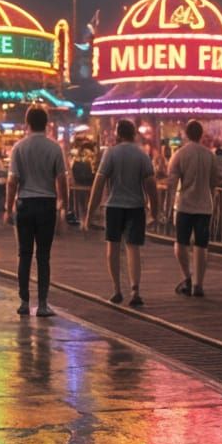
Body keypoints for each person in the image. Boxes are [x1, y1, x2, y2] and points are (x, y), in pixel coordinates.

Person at [83, 120, 158, 307]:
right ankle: (135, 290)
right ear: (133, 134)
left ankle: (116, 289)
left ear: (118, 133)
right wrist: (155, 210)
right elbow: (151, 185)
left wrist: (89, 213)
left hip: (114, 206)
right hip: (136, 207)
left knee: (113, 247)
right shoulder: (142, 155)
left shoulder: (110, 153)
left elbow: (98, 184)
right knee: (133, 248)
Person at [5, 106, 68, 316]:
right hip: (47, 204)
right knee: (43, 256)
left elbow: (12, 181)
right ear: (47, 123)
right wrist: (64, 205)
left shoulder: (19, 148)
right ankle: (42, 303)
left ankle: (24, 302)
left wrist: (8, 207)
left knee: (24, 254)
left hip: (25, 204)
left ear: (27, 123)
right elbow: (61, 180)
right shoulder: (55, 148)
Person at [165, 120, 222, 298]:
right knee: (201, 245)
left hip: (184, 204)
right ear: (201, 134)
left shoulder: (180, 154)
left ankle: (187, 277)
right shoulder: (210, 155)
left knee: (181, 243)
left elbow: (171, 183)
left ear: (186, 134)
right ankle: (199, 284)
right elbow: (216, 180)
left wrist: (167, 208)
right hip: (205, 205)